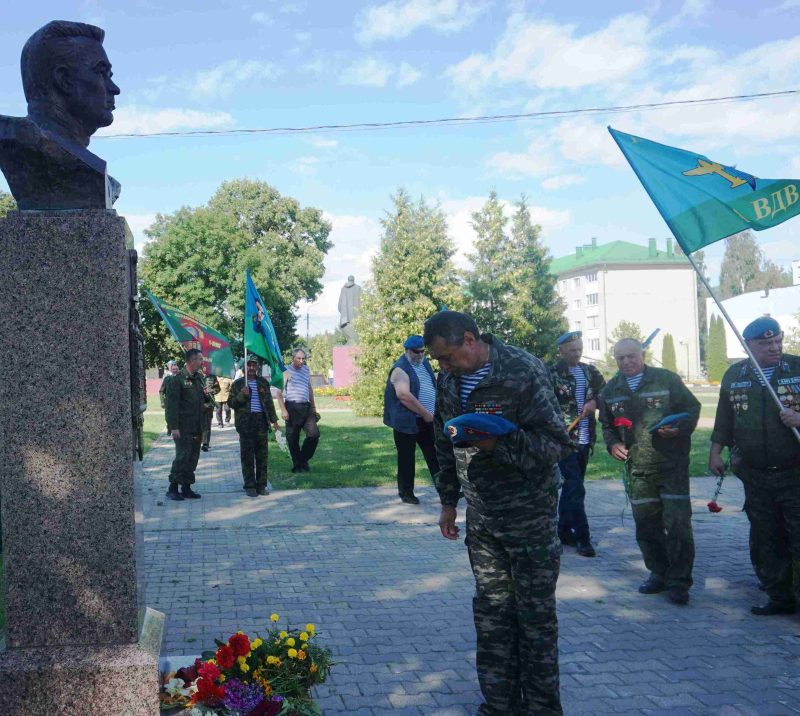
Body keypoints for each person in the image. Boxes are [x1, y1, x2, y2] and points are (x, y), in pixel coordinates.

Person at [424, 310, 572, 716]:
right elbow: (443, 438)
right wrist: (449, 501)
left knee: (535, 619)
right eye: (439, 360)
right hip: (483, 518)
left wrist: (497, 445)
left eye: (448, 356)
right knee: (492, 614)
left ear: (470, 339)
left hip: (530, 517)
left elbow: (555, 446)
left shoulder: (523, 370)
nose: (444, 366)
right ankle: (500, 705)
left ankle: (542, 708)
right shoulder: (449, 378)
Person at [598, 338, 701, 605]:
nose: (626, 362)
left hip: (671, 465)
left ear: (641, 354)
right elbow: (607, 425)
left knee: (677, 525)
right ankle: (659, 573)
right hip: (639, 469)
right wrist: (613, 444)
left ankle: (679, 582)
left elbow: (691, 408)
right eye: (620, 358)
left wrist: (680, 429)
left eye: (631, 356)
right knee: (646, 526)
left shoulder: (666, 380)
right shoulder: (611, 390)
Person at [709, 317, 800, 615]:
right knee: (766, 536)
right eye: (765, 344)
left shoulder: (797, 368)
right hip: (755, 473)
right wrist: (715, 452)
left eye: (778, 341)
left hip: (794, 470)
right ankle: (779, 596)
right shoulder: (735, 375)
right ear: (748, 345)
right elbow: (725, 418)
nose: (774, 348)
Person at [0, 21, 122, 210]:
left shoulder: (100, 178)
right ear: (63, 80)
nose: (115, 89)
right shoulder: (14, 140)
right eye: (101, 72)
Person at [550, 331, 606, 557]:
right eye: (572, 350)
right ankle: (583, 538)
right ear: (560, 351)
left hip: (584, 439)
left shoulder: (590, 371)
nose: (576, 353)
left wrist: (594, 402)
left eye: (579, 349)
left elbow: (608, 394)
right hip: (564, 440)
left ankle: (562, 531)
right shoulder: (551, 373)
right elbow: (542, 401)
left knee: (572, 488)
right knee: (575, 488)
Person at [383, 335, 440, 504]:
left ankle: (445, 490)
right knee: (407, 458)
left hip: (427, 420)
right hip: (407, 421)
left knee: (435, 455)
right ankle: (407, 494)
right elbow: (404, 396)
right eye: (417, 352)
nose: (420, 355)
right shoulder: (400, 369)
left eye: (423, 352)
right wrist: (425, 413)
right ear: (407, 350)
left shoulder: (424, 364)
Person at [165, 349, 213, 501]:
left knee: (193, 458)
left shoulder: (199, 378)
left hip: (197, 426)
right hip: (183, 427)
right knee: (182, 457)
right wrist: (173, 427)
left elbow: (203, 401)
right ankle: (172, 488)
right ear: (191, 361)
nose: (201, 362)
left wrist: (208, 398)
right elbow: (171, 406)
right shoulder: (177, 380)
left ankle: (186, 487)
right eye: (199, 359)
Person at [229, 355, 280, 497]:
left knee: (262, 456)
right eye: (248, 365)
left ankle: (261, 485)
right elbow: (231, 403)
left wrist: (274, 421)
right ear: (243, 367)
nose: (251, 368)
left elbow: (269, 403)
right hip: (245, 424)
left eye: (254, 365)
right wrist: (241, 395)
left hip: (261, 423)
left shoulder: (263, 382)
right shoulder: (238, 384)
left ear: (258, 367)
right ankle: (250, 485)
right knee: (247, 456)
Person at [276, 348, 320, 473]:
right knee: (292, 438)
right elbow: (279, 394)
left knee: (314, 434)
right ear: (293, 358)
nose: (301, 361)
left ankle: (302, 459)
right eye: (298, 358)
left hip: (306, 407)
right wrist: (284, 410)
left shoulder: (306, 370)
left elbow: (309, 388)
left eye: (303, 359)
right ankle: (298, 465)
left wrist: (314, 407)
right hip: (292, 407)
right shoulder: (286, 371)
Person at [201, 364, 219, 452]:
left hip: (209, 404)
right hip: (197, 404)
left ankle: (205, 444)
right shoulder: (196, 375)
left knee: (207, 425)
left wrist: (211, 390)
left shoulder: (212, 376)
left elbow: (217, 389)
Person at [159, 359, 179, 435]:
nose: (175, 370)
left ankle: (176, 429)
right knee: (168, 417)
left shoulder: (181, 378)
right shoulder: (167, 379)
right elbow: (161, 391)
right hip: (169, 402)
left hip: (179, 402)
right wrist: (162, 402)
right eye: (173, 369)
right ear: (171, 369)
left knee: (178, 416)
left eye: (176, 369)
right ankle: (169, 427)